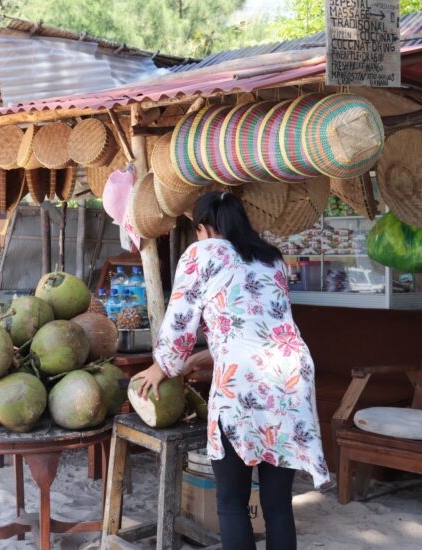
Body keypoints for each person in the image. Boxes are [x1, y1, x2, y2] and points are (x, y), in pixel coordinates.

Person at [132, 191, 329, 550]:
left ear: (203, 228)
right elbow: (254, 326)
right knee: (277, 504)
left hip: (245, 384)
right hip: (290, 374)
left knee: (232, 502)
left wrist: (162, 367)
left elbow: (179, 323)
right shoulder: (271, 258)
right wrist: (202, 358)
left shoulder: (202, 253)